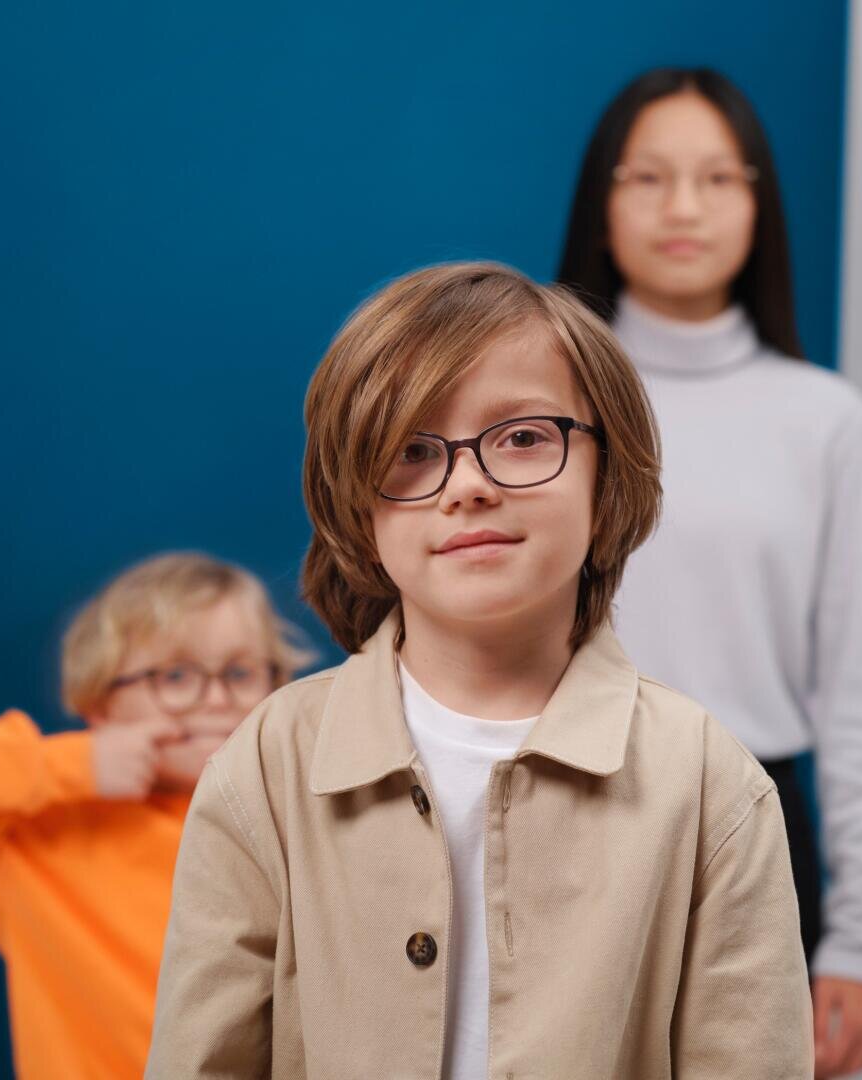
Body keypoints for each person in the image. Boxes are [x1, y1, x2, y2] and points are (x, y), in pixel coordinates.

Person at [145, 262, 813, 1078]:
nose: (466, 486)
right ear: (358, 503)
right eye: (411, 452)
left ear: (608, 472)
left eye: (524, 438)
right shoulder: (266, 767)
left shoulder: (711, 787)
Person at [557, 68, 862, 1079]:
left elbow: (856, 696)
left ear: (759, 204)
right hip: (560, 810)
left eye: (718, 177)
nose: (683, 207)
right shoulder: (541, 394)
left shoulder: (825, 418)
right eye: (648, 177)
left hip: (754, 824)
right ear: (602, 204)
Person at [0, 552, 313, 1079]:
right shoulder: (37, 842)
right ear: (101, 706)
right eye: (175, 676)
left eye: (241, 673)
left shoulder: (298, 823)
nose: (217, 699)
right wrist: (79, 762)